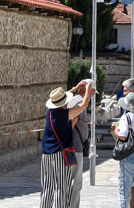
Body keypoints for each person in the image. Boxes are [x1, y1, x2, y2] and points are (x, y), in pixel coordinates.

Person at [41, 84, 91, 208]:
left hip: (46, 155)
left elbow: (59, 99)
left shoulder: (50, 113)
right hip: (59, 154)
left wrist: (75, 88)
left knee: (47, 188)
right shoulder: (65, 114)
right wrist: (88, 90)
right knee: (61, 188)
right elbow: (83, 105)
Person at [68, 80, 96, 208]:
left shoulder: (74, 99)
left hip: (73, 145)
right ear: (87, 90)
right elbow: (73, 121)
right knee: (76, 181)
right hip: (75, 146)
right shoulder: (79, 102)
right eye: (93, 90)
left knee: (71, 180)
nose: (94, 94)